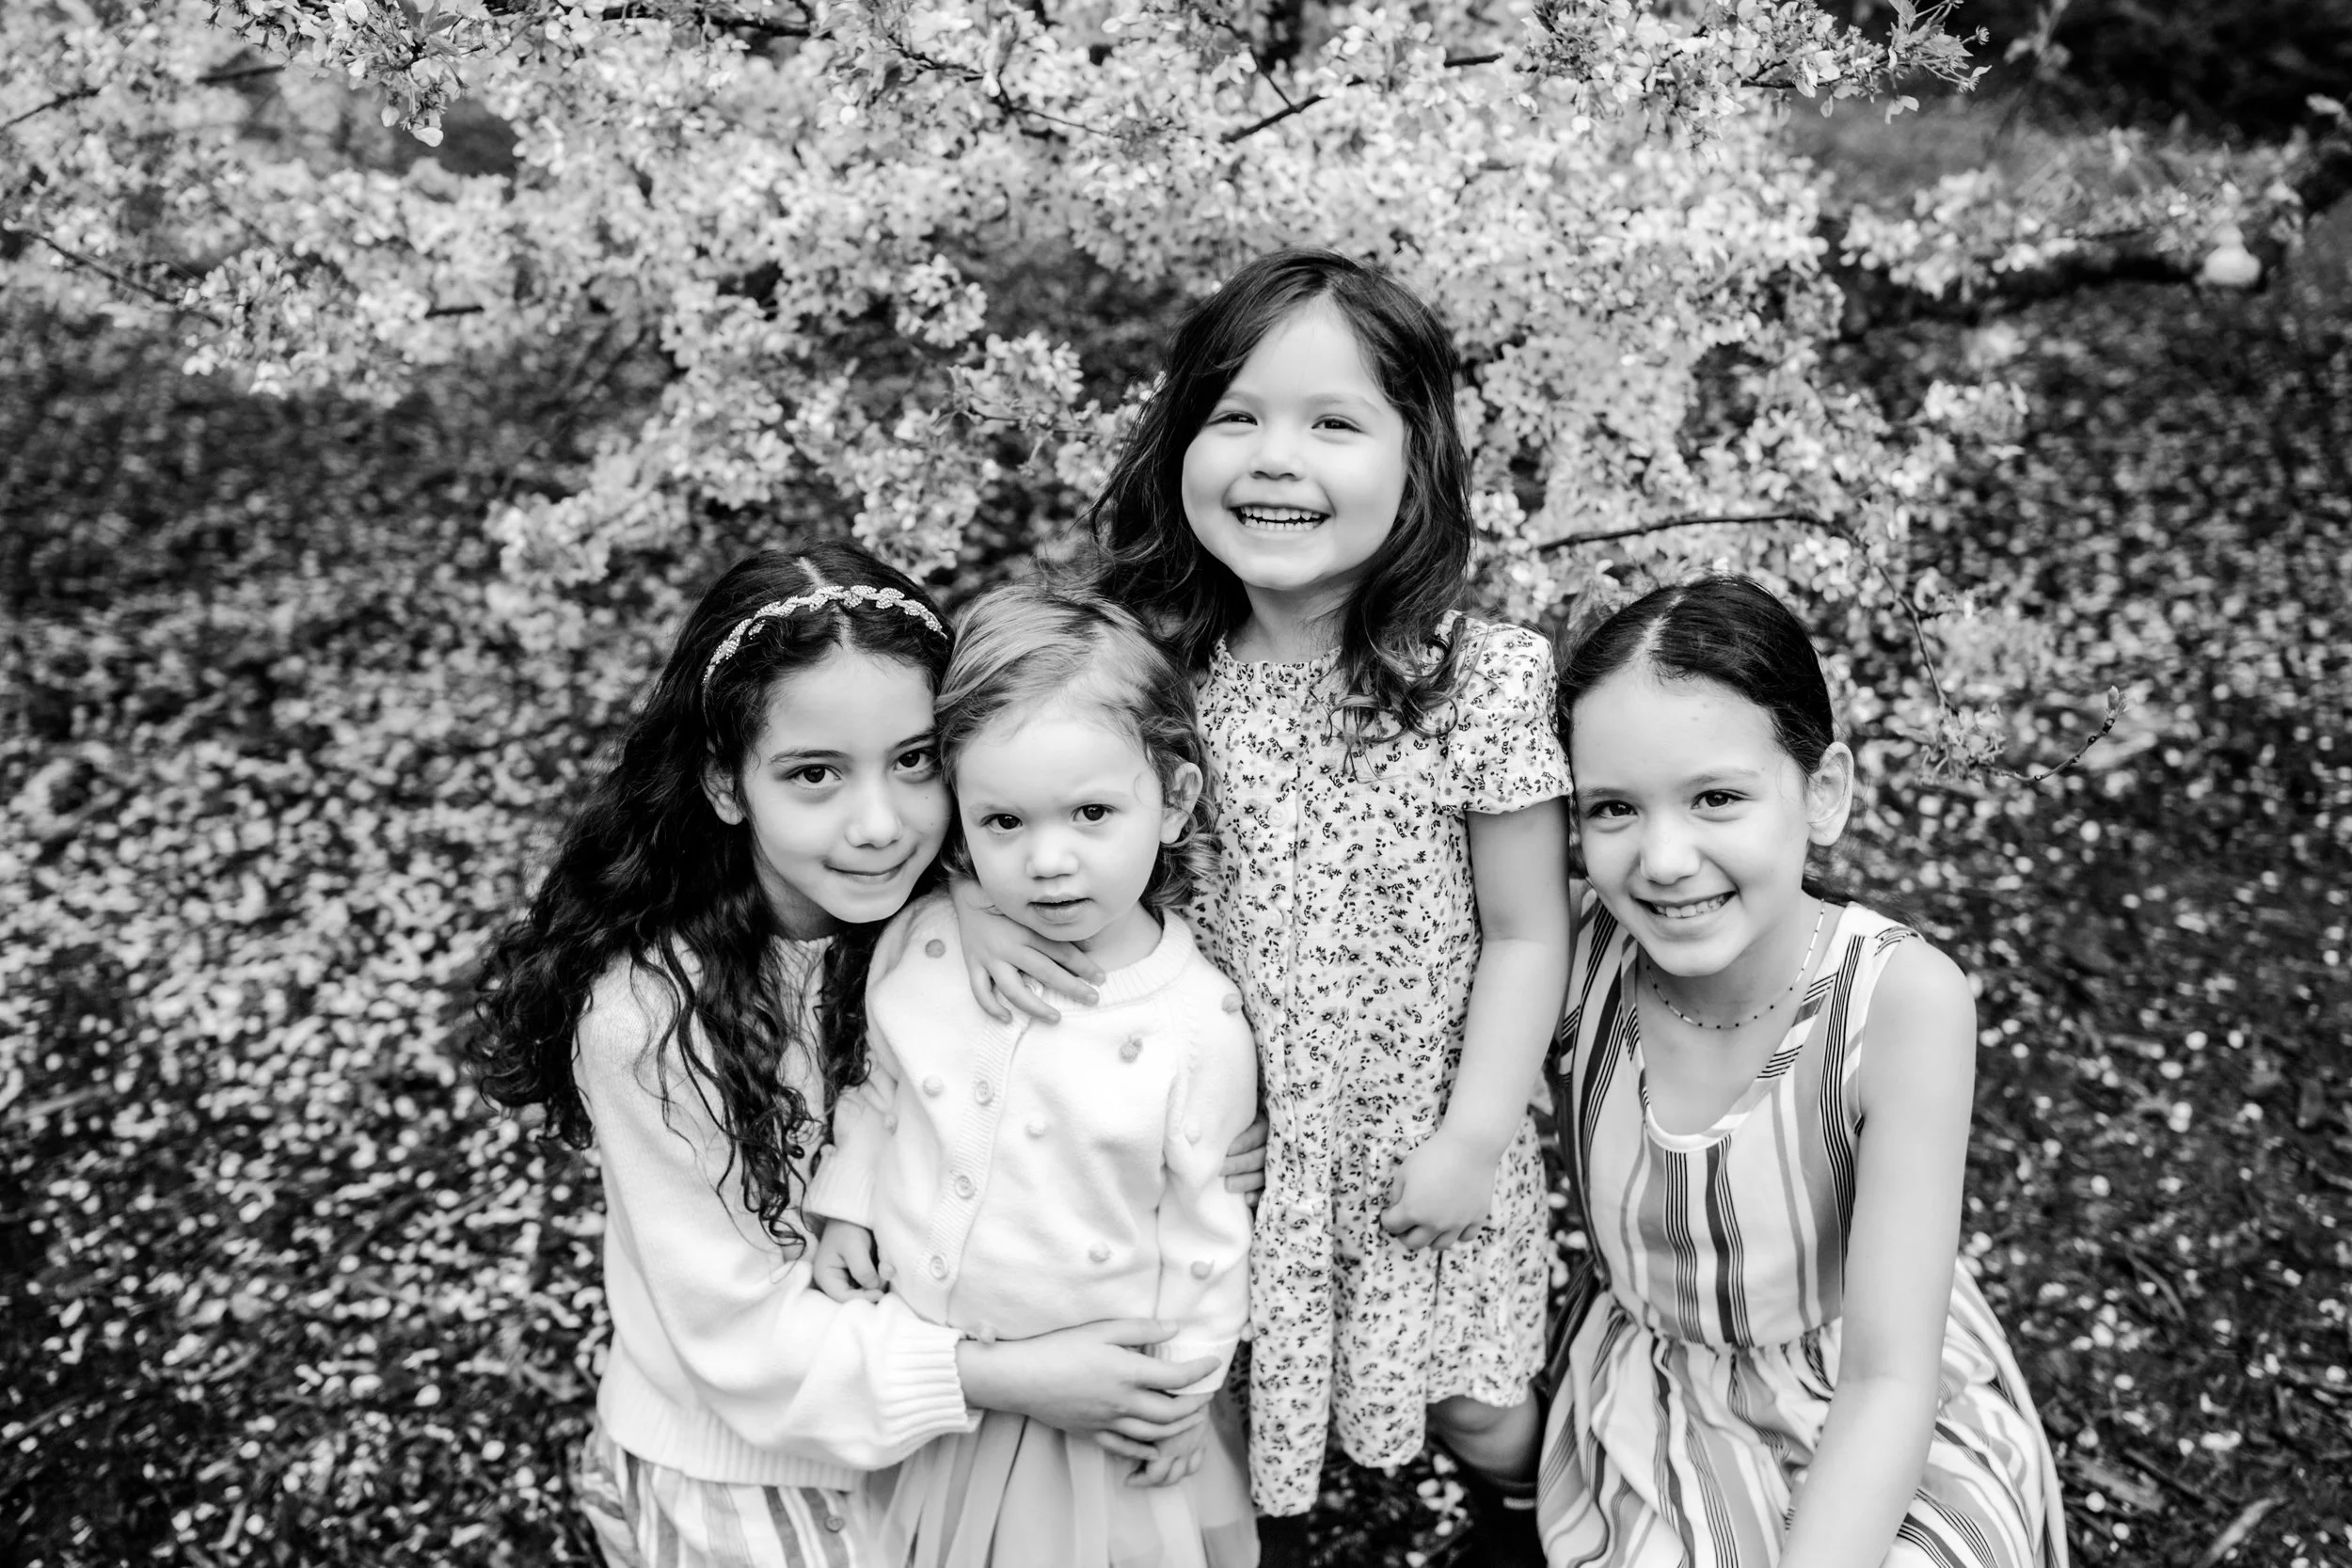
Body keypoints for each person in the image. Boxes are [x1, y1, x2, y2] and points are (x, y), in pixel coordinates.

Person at [958, 248, 1574, 1562]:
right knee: (1225, 1377)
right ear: (1179, 444)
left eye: (1334, 422)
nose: (1274, 457)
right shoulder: (1150, 670)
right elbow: (1041, 812)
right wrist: (987, 905)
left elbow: (1529, 928)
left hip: (1421, 1133)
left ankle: (1531, 1508)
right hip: (1229, 1136)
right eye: (1234, 415)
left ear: (1419, 466)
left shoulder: (1480, 678)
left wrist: (1474, 1134)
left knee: (1475, 1396)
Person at [467, 543, 1236, 1568]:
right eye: (813, 774)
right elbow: (739, 1336)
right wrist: (1000, 1376)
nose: (878, 826)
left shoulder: (966, 912)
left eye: (915, 761)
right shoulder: (649, 1013)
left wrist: (968, 902)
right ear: (725, 784)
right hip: (744, 1457)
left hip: (949, 1451)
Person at [1537, 575, 2069, 1568]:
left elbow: (1888, 1375)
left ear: (1822, 792)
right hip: (1663, 1402)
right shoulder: (1571, 951)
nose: (1660, 857)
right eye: (1611, 807)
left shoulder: (1899, 1000)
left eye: (1716, 797)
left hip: (1874, 1394)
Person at [806, 582, 1261, 1568]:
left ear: (1174, 798)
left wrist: (1180, 1393)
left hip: (1094, 1409)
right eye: (1004, 822)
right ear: (960, 822)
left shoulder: (1193, 1022)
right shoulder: (926, 939)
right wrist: (846, 1202)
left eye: (1092, 811)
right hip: (942, 1376)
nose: (1049, 861)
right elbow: (884, 1089)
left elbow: (1206, 1237)